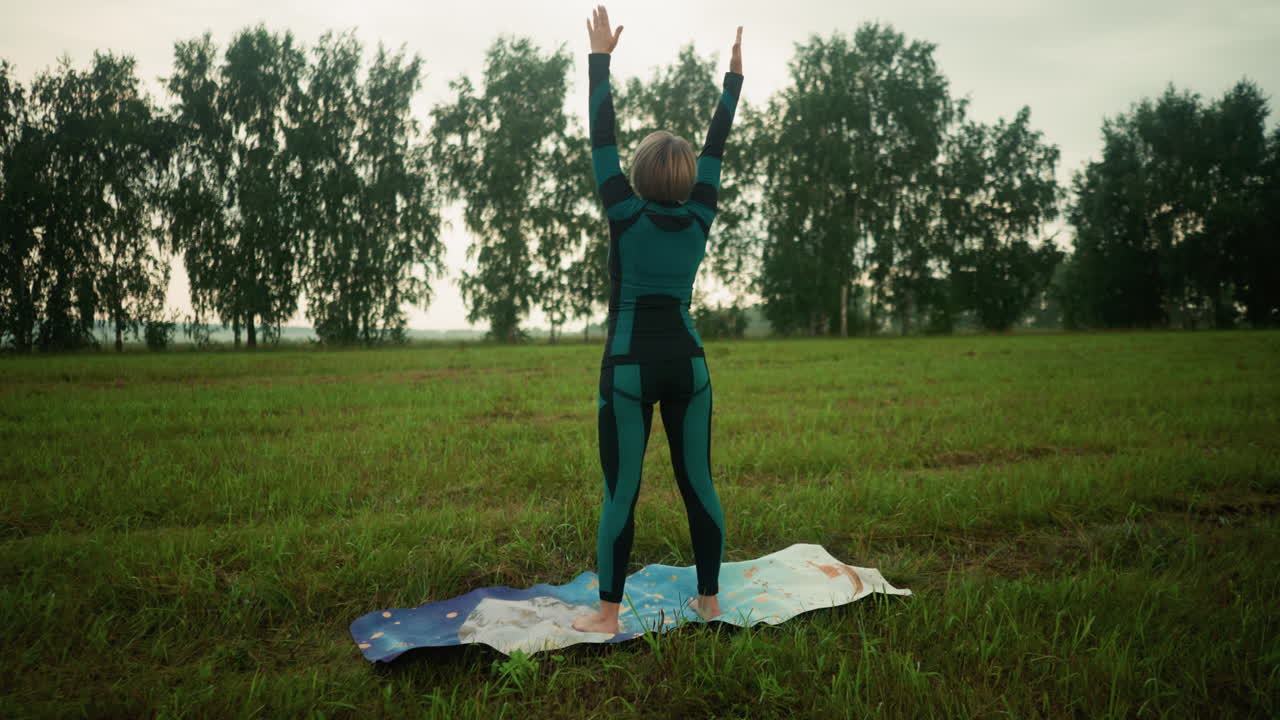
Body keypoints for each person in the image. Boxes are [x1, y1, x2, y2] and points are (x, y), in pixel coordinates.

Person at [573, 5, 744, 635]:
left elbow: (601, 139)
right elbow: (718, 145)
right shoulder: (701, 216)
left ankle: (608, 616)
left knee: (622, 493)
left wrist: (599, 61)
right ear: (689, 176)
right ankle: (710, 602)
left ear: (640, 175)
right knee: (698, 483)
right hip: (689, 365)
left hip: (627, 369)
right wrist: (732, 85)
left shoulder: (622, 211)